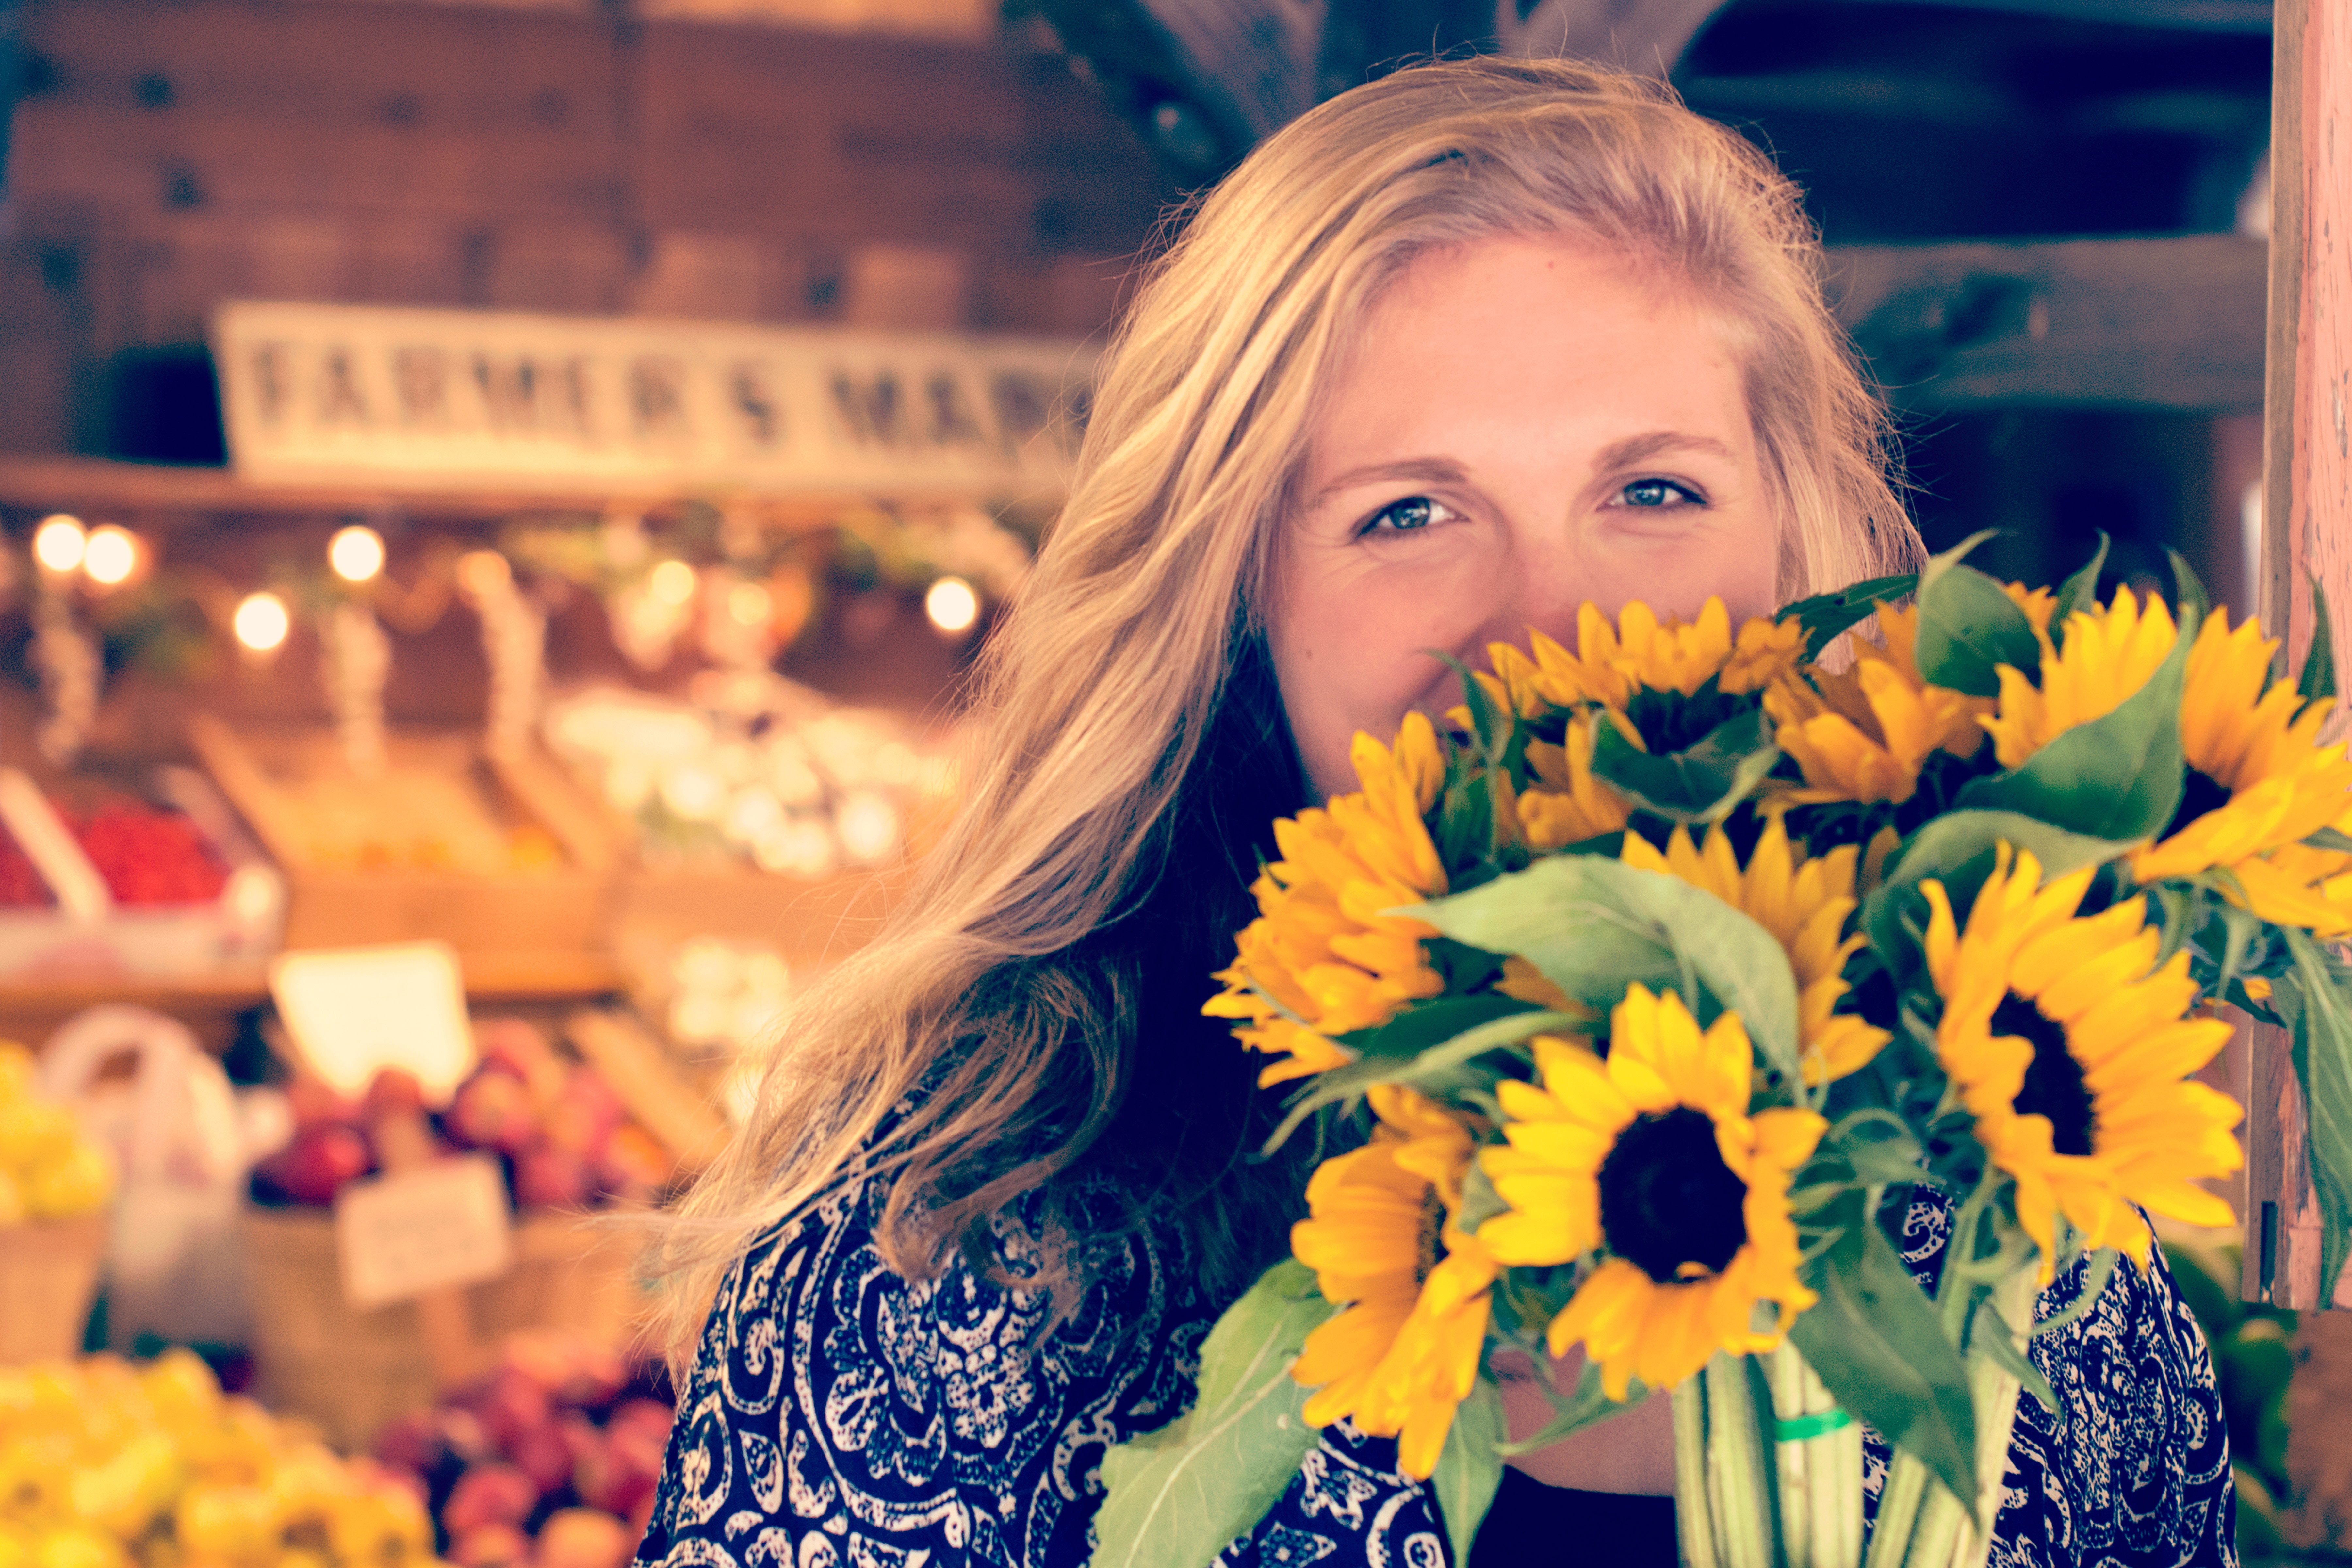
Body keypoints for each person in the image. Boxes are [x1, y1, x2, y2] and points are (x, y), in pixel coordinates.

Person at [634, 56, 2233, 1568]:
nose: (1554, 630)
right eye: (1408, 511)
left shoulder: (2025, 1229)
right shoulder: (963, 1242)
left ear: (1799, 551)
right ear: (1239, 601)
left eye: (1653, 491)